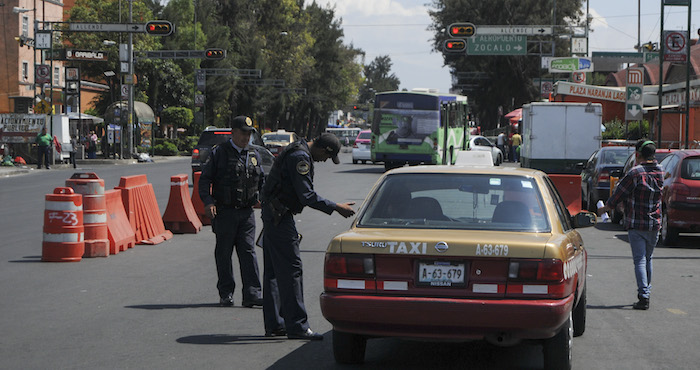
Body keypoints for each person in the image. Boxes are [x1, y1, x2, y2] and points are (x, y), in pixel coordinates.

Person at [260, 133, 355, 340]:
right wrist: (336, 207)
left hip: (274, 214)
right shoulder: (300, 158)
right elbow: (307, 196)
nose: (324, 162)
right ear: (322, 150)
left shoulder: (298, 149)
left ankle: (276, 323)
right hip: (280, 218)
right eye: (326, 158)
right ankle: (297, 326)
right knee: (292, 269)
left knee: (274, 272)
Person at [199, 115, 264, 308]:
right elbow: (205, 180)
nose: (246, 137)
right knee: (224, 253)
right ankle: (226, 293)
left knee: (248, 252)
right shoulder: (220, 153)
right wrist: (208, 202)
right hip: (225, 212)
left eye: (248, 134)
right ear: (233, 132)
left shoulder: (254, 155)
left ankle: (252, 293)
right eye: (243, 133)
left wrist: (261, 197)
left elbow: (261, 181)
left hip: (246, 214)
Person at [598, 139, 663, 310]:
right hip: (654, 223)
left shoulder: (635, 173)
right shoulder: (661, 171)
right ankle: (646, 292)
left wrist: (605, 208)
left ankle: (643, 296)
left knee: (640, 260)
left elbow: (619, 194)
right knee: (648, 259)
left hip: (637, 223)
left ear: (638, 154)